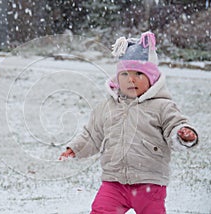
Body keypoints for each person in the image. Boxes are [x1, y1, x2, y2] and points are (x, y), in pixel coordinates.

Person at [59, 32, 198, 214]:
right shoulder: (107, 106)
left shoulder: (162, 106)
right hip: (114, 183)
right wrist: (76, 148)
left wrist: (183, 133)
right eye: (124, 74)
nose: (131, 79)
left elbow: (175, 125)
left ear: (152, 78)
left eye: (139, 74)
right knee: (100, 210)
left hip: (149, 182)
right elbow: (92, 134)